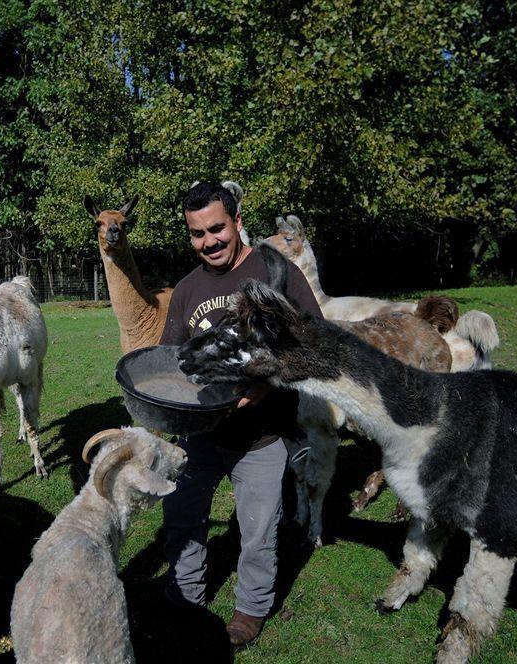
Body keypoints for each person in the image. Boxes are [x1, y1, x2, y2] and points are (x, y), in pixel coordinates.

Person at [159, 181, 323, 649]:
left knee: (257, 532)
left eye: (217, 229)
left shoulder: (276, 273)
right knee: (183, 515)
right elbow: (170, 360)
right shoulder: (188, 289)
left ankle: (250, 610)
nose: (208, 241)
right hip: (199, 432)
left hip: (261, 435)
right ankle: (186, 591)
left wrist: (265, 385)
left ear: (235, 221)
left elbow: (313, 343)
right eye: (197, 233)